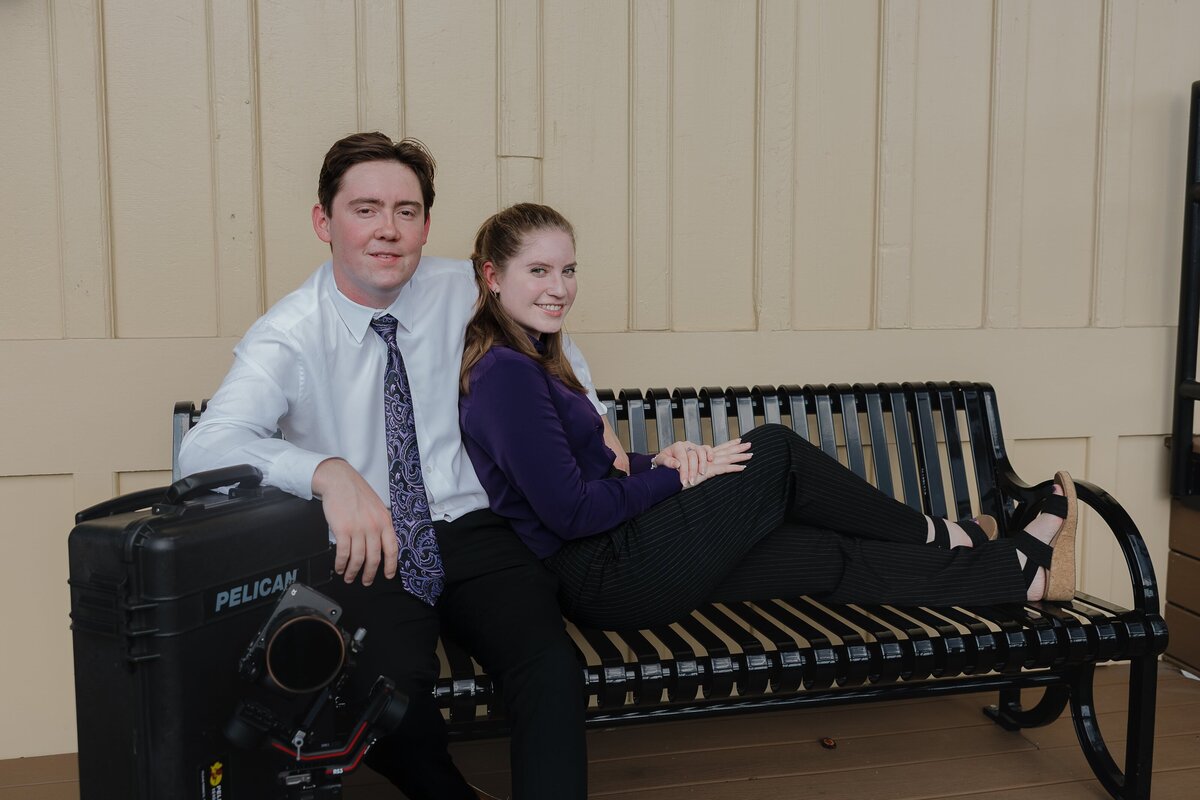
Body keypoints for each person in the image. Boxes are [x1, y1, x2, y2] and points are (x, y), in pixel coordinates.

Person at [179, 137, 589, 800]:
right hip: (372, 546)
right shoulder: (291, 331)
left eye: (406, 210)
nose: (388, 230)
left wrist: (592, 419)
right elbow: (203, 448)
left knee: (549, 666)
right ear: (325, 222)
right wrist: (327, 471)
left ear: (426, 223)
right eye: (366, 209)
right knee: (382, 696)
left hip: (476, 526)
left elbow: (549, 350)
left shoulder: (466, 288)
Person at [458, 203, 1079, 631]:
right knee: (775, 452)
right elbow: (570, 513)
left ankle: (1013, 573)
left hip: (620, 563)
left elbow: (589, 471)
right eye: (537, 271)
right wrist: (678, 479)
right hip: (607, 571)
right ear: (492, 277)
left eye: (567, 271)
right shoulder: (506, 374)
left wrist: (662, 459)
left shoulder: (537, 361)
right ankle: (939, 532)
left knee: (818, 554)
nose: (558, 288)